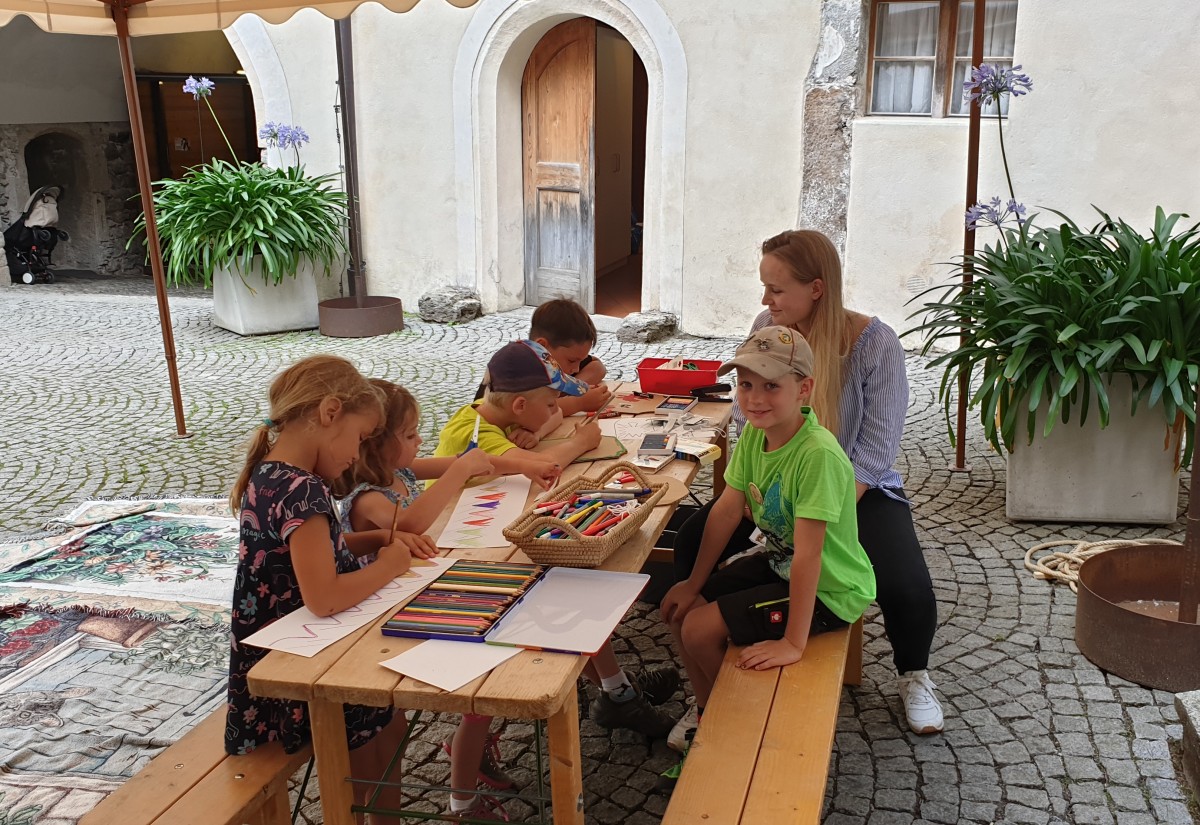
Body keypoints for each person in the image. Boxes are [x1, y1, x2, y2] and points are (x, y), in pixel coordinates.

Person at [671, 229, 943, 741]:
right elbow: (748, 413)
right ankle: (712, 665)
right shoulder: (767, 328)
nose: (764, 301)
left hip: (858, 490)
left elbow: (875, 451)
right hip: (783, 483)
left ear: (815, 288)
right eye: (764, 288)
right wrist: (765, 496)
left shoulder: (874, 343)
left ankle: (914, 674)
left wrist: (810, 511)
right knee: (694, 538)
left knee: (904, 583)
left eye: (775, 290)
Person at [657, 326, 876, 790]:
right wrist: (693, 583)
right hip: (782, 562)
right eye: (746, 384)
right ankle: (707, 716)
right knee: (681, 611)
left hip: (829, 590)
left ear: (805, 389)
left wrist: (793, 643)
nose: (754, 399)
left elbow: (810, 558)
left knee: (698, 628)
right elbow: (726, 509)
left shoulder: (817, 456)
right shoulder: (757, 435)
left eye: (771, 385)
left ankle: (739, 729)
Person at [439, 339, 683, 737]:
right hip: (469, 560)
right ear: (519, 406)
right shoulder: (477, 432)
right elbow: (546, 467)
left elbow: (535, 446)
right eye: (551, 403)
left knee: (568, 578)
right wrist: (580, 442)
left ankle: (616, 688)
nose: (556, 411)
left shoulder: (494, 418)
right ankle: (617, 691)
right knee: (567, 582)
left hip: (497, 541)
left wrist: (543, 425)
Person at [225, 355, 420, 824]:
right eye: (358, 437)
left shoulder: (271, 474)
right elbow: (325, 596)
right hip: (296, 675)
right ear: (330, 413)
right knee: (373, 734)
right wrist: (390, 565)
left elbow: (310, 553)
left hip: (278, 658)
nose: (357, 454)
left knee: (389, 723)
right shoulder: (305, 490)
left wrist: (375, 539)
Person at [333, 379, 510, 821]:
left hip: (409, 598)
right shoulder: (370, 495)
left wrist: (523, 458)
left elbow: (473, 461)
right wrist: (459, 471)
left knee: (391, 730)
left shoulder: (403, 472)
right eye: (410, 436)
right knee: (378, 737)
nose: (419, 443)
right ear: (375, 443)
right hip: (376, 623)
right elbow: (408, 523)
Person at [474, 299, 614, 447]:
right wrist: (578, 402)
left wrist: (538, 431)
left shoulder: (551, 368)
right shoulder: (517, 376)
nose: (576, 369)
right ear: (542, 346)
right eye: (572, 361)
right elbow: (552, 411)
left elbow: (597, 367)